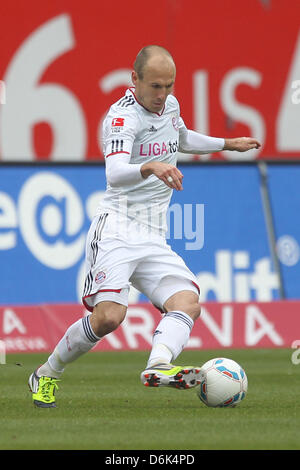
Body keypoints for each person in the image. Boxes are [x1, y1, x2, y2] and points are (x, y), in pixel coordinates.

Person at [28, 45, 261, 407]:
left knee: (187, 301)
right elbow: (115, 172)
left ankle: (158, 366)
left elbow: (181, 138)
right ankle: (47, 373)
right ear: (133, 79)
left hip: (153, 234)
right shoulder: (122, 119)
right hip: (117, 228)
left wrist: (226, 143)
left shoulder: (170, 106)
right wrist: (151, 166)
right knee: (108, 319)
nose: (163, 94)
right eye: (155, 86)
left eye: (169, 85)